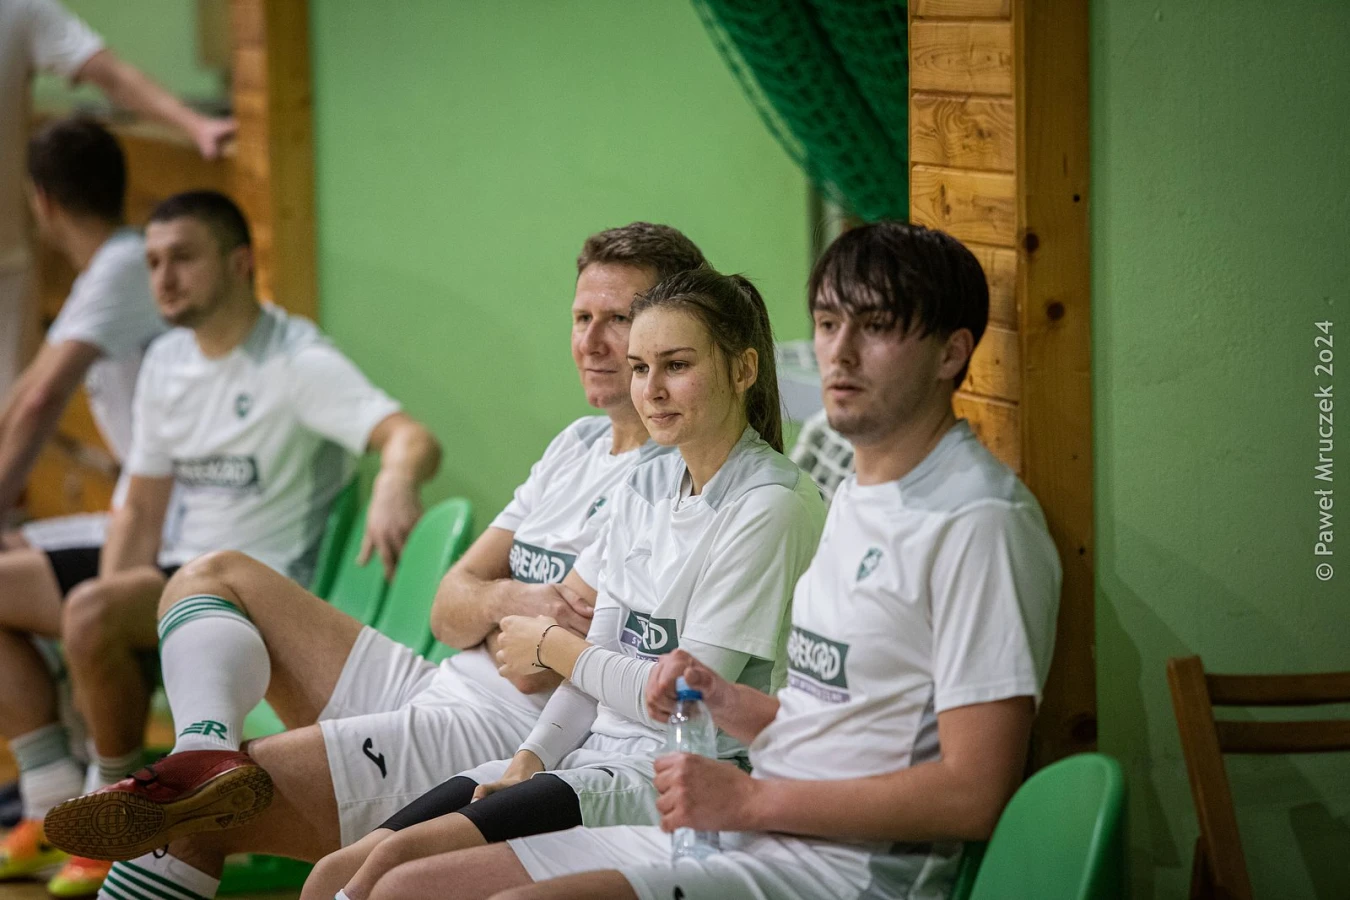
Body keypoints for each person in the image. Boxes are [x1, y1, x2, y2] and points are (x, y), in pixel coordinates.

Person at [342, 222, 1064, 900]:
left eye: (875, 327)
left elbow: (974, 795)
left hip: (847, 871)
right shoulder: (856, 495)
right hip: (750, 821)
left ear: (951, 353)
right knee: (378, 882)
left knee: (410, 887)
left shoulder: (979, 521)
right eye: (827, 324)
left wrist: (752, 797)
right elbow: (832, 726)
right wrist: (726, 702)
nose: (840, 353)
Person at [40, 224, 710, 900]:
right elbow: (448, 608)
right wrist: (507, 603)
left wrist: (495, 610)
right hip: (438, 684)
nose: (592, 341)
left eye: (617, 320)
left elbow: (542, 667)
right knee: (212, 575)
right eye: (582, 318)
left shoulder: (671, 479)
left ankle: (195, 779)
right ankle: (201, 751)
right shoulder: (577, 444)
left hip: (503, 735)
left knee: (194, 817)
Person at [299, 267, 827, 900]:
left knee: (393, 881)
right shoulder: (646, 482)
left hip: (667, 779)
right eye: (640, 368)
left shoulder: (771, 504)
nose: (652, 390)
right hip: (581, 756)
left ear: (743, 370)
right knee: (334, 874)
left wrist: (552, 647)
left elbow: (681, 701)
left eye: (677, 365)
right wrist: (531, 757)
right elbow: (594, 665)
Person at [1, 189, 439, 895]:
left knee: (90, 613)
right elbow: (141, 507)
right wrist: (104, 630)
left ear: (239, 263)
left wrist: (394, 481)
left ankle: (120, 812)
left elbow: (410, 437)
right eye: (152, 262)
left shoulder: (297, 359)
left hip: (254, 592)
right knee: (63, 604)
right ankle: (50, 794)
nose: (163, 278)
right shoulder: (167, 360)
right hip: (170, 570)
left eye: (182, 258)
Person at [0, 115, 169, 897]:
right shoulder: (111, 266)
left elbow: (40, 402)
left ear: (41, 199)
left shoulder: (123, 264)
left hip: (166, 527)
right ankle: (53, 794)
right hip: (143, 512)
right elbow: (27, 392)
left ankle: (72, 799)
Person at [0, 0, 236, 401]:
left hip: (7, 263)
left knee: (15, 404)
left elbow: (111, 74)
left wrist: (195, 124)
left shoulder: (19, 10)